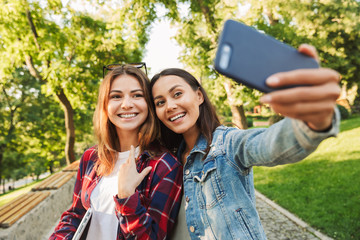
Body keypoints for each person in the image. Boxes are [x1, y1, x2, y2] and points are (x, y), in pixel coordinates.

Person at [150, 44, 341, 240]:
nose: (170, 106)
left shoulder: (226, 144)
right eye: (160, 102)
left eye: (177, 94)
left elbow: (268, 145)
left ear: (199, 96)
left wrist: (312, 119)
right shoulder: (167, 161)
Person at [49, 65, 183, 240]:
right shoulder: (91, 157)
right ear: (105, 105)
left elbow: (152, 237)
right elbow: (76, 214)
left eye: (137, 95)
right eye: (116, 96)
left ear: (148, 104)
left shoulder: (164, 166)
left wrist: (127, 196)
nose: (127, 104)